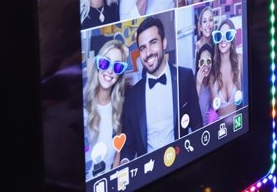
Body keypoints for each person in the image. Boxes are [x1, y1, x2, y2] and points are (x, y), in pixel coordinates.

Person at [120, 16, 202, 161]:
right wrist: (125, 163)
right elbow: (129, 145)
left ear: (164, 43)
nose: (148, 52)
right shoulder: (132, 96)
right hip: (149, 172)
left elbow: (197, 124)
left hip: (182, 161)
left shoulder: (185, 77)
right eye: (143, 48)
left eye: (153, 43)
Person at [83, 39, 129, 179]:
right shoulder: (82, 108)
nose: (109, 71)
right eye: (105, 62)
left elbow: (117, 154)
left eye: (116, 67)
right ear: (97, 64)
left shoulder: (119, 107)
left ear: (119, 74)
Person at [209, 18, 242, 118]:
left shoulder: (240, 60)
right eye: (219, 36)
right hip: (221, 128)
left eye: (227, 35)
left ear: (232, 40)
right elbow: (214, 108)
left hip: (239, 123)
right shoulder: (213, 72)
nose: (223, 40)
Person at [195, 43, 215, 125]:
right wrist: (198, 84)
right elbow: (192, 110)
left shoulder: (214, 82)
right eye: (202, 62)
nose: (205, 65)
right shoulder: (192, 81)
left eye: (209, 61)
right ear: (198, 64)